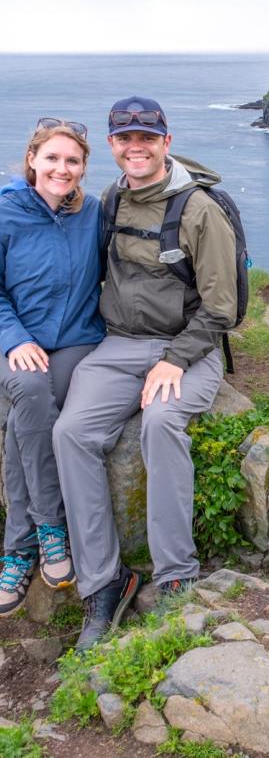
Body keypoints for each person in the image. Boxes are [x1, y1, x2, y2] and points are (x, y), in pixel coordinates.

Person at [53, 96, 237, 651]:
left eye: (147, 138)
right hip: (118, 346)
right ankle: (106, 581)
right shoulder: (110, 199)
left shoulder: (199, 209)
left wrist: (173, 360)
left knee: (160, 422)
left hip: (187, 348)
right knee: (71, 433)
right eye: (125, 139)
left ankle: (176, 572)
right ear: (112, 146)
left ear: (166, 143)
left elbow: (221, 307)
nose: (137, 147)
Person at [0, 120, 105, 617]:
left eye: (73, 161)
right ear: (32, 160)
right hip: (16, 340)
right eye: (53, 159)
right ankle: (46, 529)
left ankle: (17, 552)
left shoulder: (94, 214)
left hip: (76, 342)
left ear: (83, 168)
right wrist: (14, 337)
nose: (62, 169)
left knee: (30, 415)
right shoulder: (5, 212)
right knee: (30, 393)